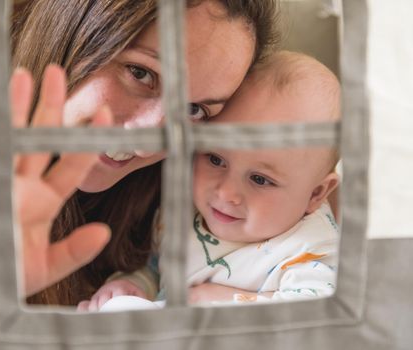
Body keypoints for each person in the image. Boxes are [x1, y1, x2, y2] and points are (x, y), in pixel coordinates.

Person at [10, 0, 280, 305]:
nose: (146, 144)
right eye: (140, 73)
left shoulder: (185, 200)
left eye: (193, 109)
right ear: (69, 31)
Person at [82, 51, 341, 310]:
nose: (226, 193)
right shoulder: (182, 211)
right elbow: (157, 271)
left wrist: (217, 300)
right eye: (215, 159)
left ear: (316, 194)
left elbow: (317, 317)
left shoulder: (309, 250)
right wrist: (133, 285)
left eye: (260, 180)